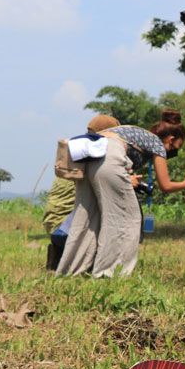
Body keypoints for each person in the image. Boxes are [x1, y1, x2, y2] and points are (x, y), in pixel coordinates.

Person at [56, 109, 185, 277]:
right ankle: (110, 273)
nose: (174, 152)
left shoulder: (139, 134)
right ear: (171, 139)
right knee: (126, 218)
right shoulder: (157, 143)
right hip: (108, 154)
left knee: (87, 218)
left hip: (89, 156)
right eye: (176, 147)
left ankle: (71, 271)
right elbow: (165, 185)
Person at [43, 114, 120, 271]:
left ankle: (58, 255)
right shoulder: (92, 157)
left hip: (53, 222)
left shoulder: (75, 153)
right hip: (66, 227)